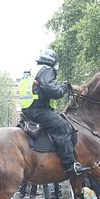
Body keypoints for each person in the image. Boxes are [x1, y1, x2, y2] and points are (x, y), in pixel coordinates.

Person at [19, 49, 90, 177]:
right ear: (53, 62)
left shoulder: (31, 71)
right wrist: (64, 86)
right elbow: (53, 91)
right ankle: (71, 165)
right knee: (63, 128)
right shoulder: (46, 70)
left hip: (27, 110)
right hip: (39, 110)